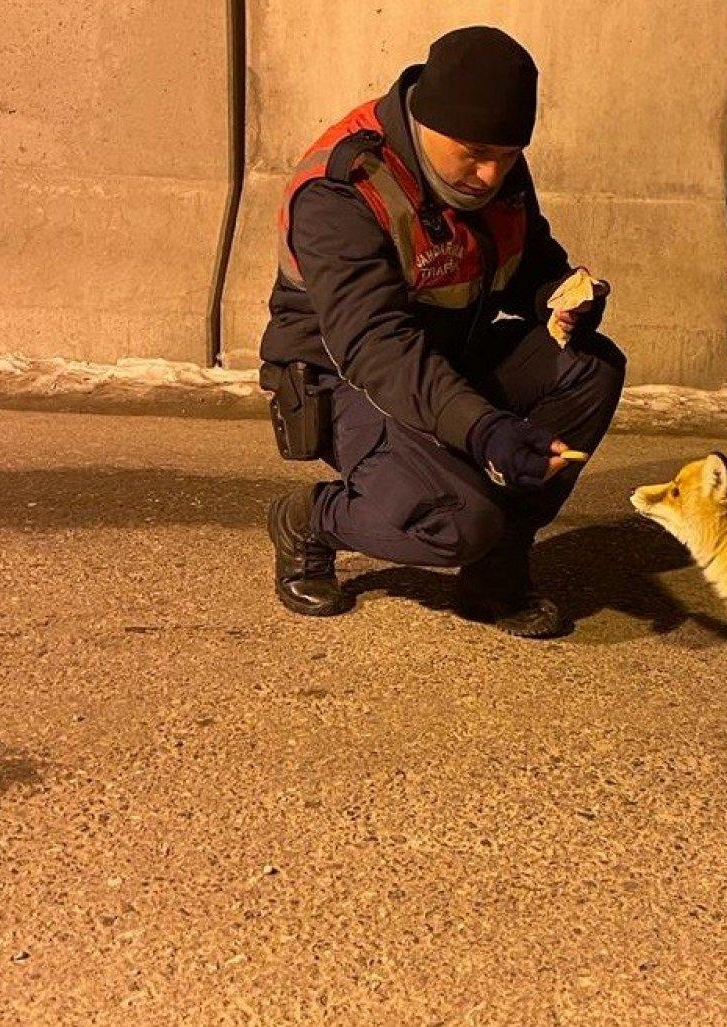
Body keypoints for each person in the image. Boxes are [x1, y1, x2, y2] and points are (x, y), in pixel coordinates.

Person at [259, 25, 626, 638]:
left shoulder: (496, 165)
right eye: (475, 153)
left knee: (591, 367)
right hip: (347, 378)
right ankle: (310, 519)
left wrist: (559, 297)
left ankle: (498, 565)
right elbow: (376, 347)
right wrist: (483, 429)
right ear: (427, 122)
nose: (490, 174)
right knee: (456, 524)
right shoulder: (342, 189)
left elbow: (527, 260)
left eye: (508, 156)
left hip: (447, 356)